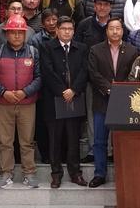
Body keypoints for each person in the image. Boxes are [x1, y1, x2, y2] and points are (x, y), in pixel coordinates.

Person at [0, 14, 41, 189]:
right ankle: (6, 173)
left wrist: (25, 92)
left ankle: (29, 173)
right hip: (3, 104)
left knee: (27, 141)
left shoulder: (33, 52)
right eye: (13, 32)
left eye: (20, 32)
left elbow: (39, 78)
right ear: (6, 33)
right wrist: (3, 92)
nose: (17, 36)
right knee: (5, 141)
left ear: (25, 34)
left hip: (27, 104)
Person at [87, 18, 139, 188]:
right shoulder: (96, 50)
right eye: (111, 28)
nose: (115, 32)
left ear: (122, 31)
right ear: (106, 31)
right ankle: (99, 174)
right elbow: (93, 74)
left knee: (122, 140)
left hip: (124, 102)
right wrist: (109, 89)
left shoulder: (132, 51)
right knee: (99, 140)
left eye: (118, 28)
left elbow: (134, 75)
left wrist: (120, 91)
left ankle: (122, 173)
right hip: (102, 100)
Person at [40, 16, 89, 188]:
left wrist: (73, 90)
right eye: (64, 29)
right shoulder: (46, 47)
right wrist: (63, 91)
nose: (67, 31)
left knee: (73, 139)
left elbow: (85, 71)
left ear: (74, 31)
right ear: (57, 30)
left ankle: (75, 173)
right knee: (55, 139)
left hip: (75, 99)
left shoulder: (81, 48)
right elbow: (47, 71)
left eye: (70, 29)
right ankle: (56, 174)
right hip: (54, 100)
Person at [74, 0, 113, 164]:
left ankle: (111, 150)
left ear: (111, 7)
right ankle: (92, 149)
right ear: (94, 6)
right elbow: (78, 51)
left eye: (106, 4)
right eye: (99, 4)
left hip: (113, 81)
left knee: (113, 114)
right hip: (90, 78)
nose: (102, 7)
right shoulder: (84, 25)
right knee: (92, 115)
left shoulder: (115, 25)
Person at [28, 8, 58, 164]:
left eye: (54, 20)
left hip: (59, 88)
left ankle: (59, 154)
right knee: (42, 122)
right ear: (43, 23)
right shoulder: (36, 40)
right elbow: (35, 65)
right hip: (42, 87)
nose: (52, 23)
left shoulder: (62, 36)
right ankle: (45, 154)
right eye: (48, 20)